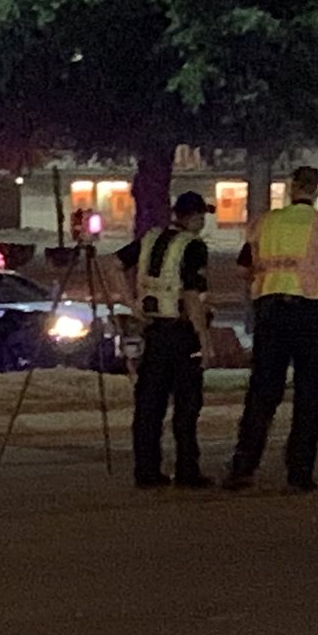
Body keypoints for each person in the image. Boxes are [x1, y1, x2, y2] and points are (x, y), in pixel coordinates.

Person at [223, 166, 318, 493]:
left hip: (271, 313)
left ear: (290, 188)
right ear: (316, 190)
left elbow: (244, 268)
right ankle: (299, 472)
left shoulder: (266, 223)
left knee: (262, 392)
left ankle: (243, 467)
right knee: (309, 394)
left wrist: (260, 293)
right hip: (315, 312)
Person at [115, 191, 217, 489]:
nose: (203, 222)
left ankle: (146, 471)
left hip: (153, 331)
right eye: (202, 217)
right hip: (181, 332)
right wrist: (203, 338)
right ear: (194, 217)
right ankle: (187, 470)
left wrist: (131, 302)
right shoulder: (193, 247)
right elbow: (190, 295)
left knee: (149, 405)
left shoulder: (150, 239)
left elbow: (114, 264)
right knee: (186, 405)